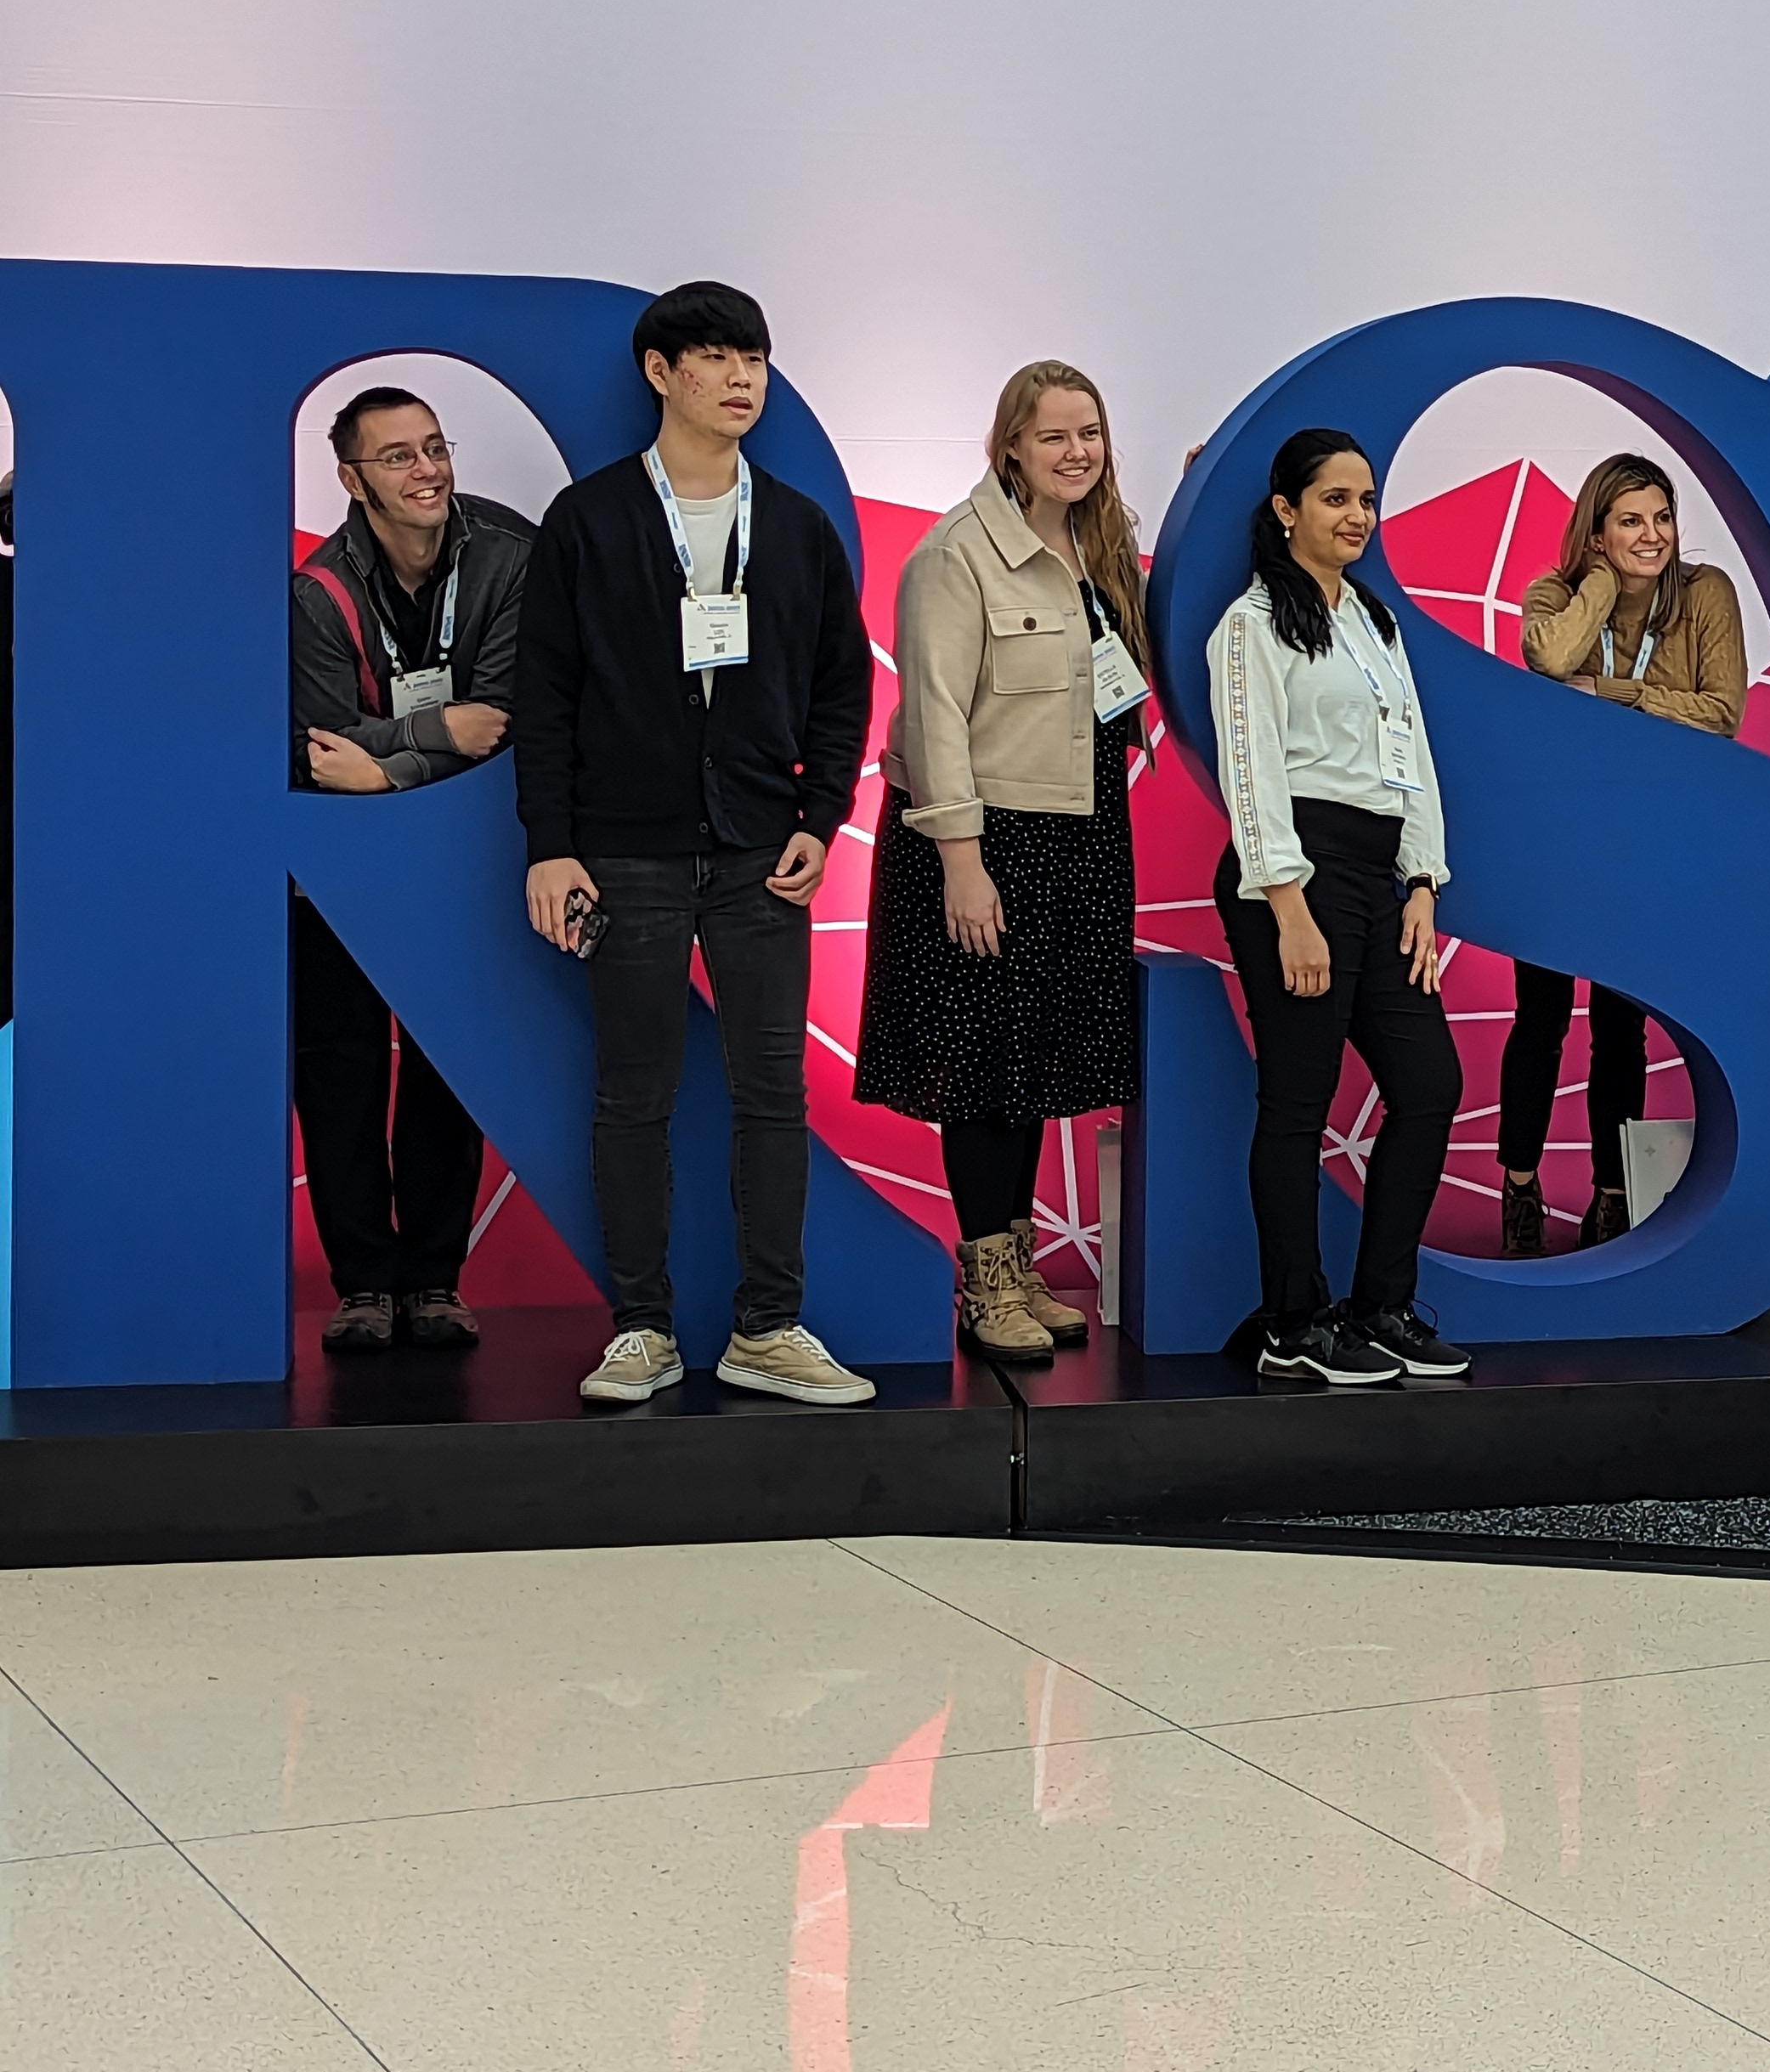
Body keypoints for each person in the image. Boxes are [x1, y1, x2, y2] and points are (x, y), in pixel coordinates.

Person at [514, 282, 877, 1407]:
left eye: (755, 358)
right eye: (717, 356)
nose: (742, 379)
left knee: (774, 1091)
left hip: (762, 851)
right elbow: (546, 694)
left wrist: (821, 821)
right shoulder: (591, 518)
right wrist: (550, 846)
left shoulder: (800, 525)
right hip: (622, 852)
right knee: (634, 1094)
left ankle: (770, 1327)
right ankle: (642, 1328)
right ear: (659, 372)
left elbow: (840, 687)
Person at [857, 362, 1154, 1359]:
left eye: (1091, 434)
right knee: (982, 1066)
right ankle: (983, 1280)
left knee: (1034, 1064)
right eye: (1055, 435)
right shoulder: (955, 556)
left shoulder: (1099, 545)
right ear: (1010, 446)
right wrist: (961, 861)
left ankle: (1017, 1263)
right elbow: (934, 716)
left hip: (1081, 830)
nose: (1077, 452)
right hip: (990, 840)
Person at [1210, 427, 1469, 1386]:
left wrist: (1422, 885)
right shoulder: (1250, 625)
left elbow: (1412, 762)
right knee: (1298, 1104)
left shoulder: (1374, 619)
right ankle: (1293, 1324)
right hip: (1294, 877)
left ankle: (1381, 1305)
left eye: (1366, 500)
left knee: (1430, 1085)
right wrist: (1288, 903)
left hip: (1377, 876)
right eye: (1334, 499)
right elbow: (1253, 769)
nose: (1356, 516)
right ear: (1286, 511)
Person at [291, 387, 537, 1352]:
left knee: (447, 1070)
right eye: (397, 457)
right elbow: (318, 749)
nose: (427, 470)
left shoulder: (511, 562)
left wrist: (385, 765)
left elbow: (506, 721)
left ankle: (434, 1279)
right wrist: (440, 732)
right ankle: (363, 1284)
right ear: (352, 480)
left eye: (434, 447)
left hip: (461, 865)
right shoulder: (318, 591)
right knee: (340, 1073)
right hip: (336, 875)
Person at [1496, 452, 1750, 1255]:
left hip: (1648, 843)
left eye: (1662, 518)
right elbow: (1548, 660)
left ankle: (1612, 1195)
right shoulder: (1552, 593)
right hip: (1553, 839)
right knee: (1540, 1018)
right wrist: (1600, 584)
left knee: (1621, 1025)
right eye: (1630, 521)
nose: (1653, 536)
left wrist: (1613, 695)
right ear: (1597, 532)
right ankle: (1520, 1187)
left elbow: (1720, 714)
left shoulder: (1706, 595)